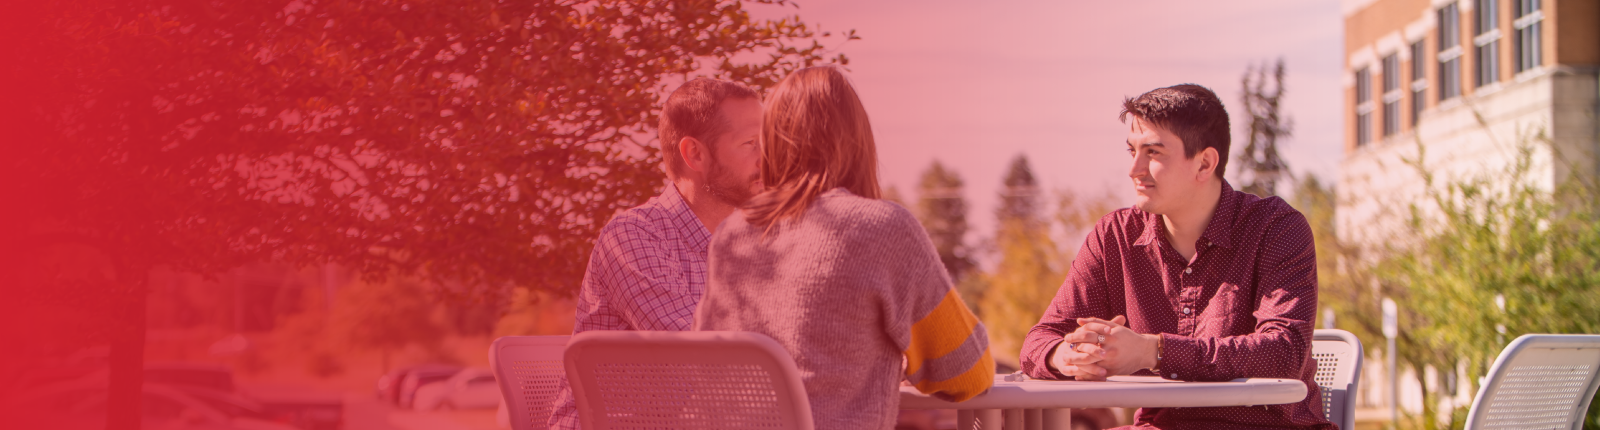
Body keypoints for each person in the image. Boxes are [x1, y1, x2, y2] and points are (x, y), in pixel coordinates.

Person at [693, 66, 993, 429]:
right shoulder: (882, 230)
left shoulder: (731, 235)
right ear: (858, 140)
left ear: (771, 143)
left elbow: (707, 368)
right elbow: (966, 373)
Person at [1019, 84, 1334, 429]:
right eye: (1132, 151)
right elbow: (1040, 339)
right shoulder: (1115, 237)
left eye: (1153, 153)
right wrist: (1066, 356)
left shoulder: (1277, 228)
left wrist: (1152, 351)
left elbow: (1282, 353)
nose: (1134, 169)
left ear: (1204, 163)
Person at [547, 77, 763, 430]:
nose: (766, 158)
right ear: (695, 154)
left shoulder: (752, 247)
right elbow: (706, 360)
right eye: (750, 144)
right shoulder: (634, 238)